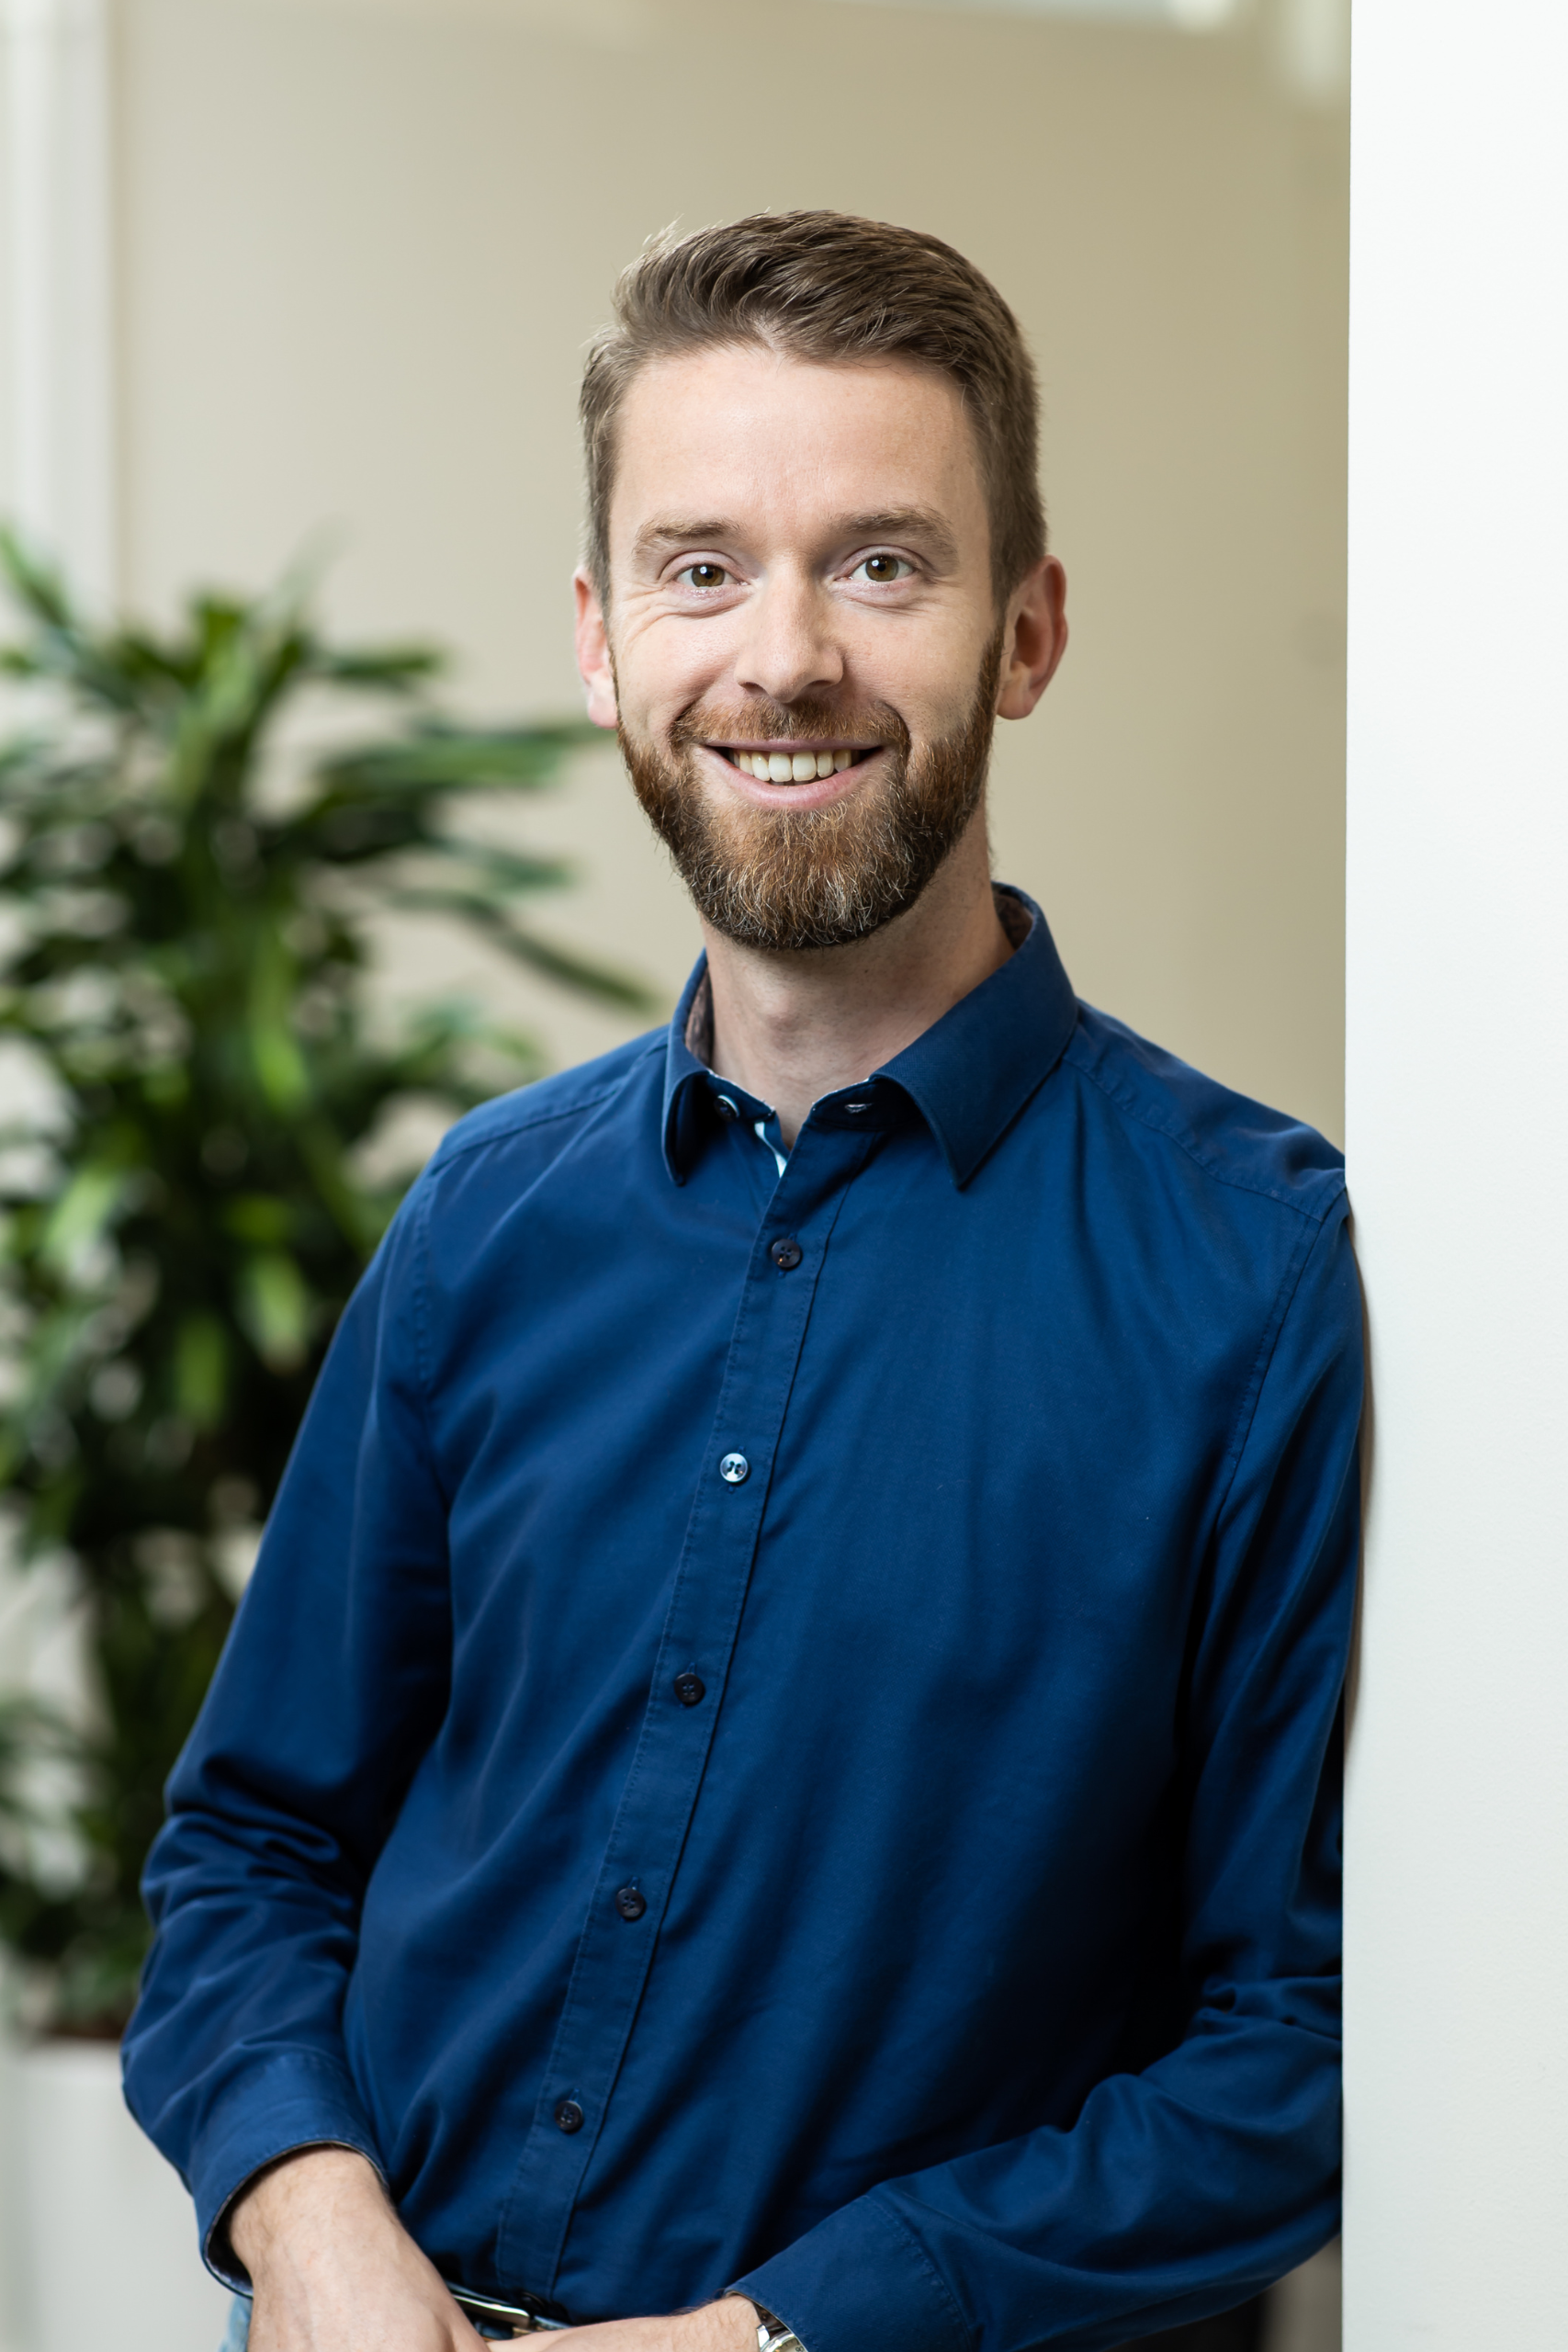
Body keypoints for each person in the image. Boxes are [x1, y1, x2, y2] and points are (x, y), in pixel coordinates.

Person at [124, 212, 1359, 2352]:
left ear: (1027, 629)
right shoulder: (485, 1220)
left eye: (883, 562)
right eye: (703, 567)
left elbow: (1297, 2042)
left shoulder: (1249, 1267)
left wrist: (778, 2333)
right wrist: (307, 2220)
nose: (783, 655)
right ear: (604, 642)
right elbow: (250, 1839)